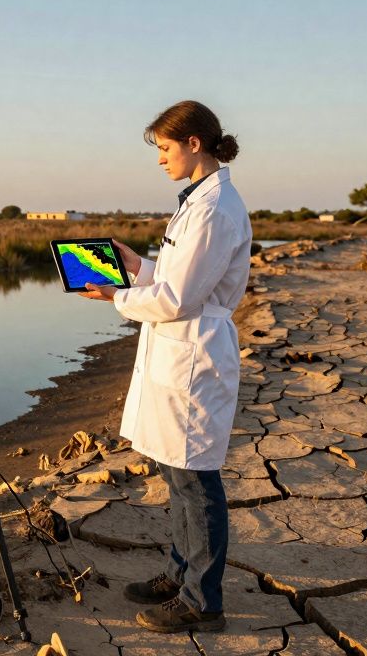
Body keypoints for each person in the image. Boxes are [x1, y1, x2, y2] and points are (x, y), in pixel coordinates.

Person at [80, 100, 250, 633]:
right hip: (180, 348)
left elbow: (178, 297)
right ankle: (179, 575)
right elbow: (181, 275)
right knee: (176, 476)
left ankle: (203, 603)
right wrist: (139, 267)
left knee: (196, 482)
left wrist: (116, 296)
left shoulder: (215, 207)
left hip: (195, 352)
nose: (160, 160)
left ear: (193, 143)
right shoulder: (199, 201)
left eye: (165, 148)